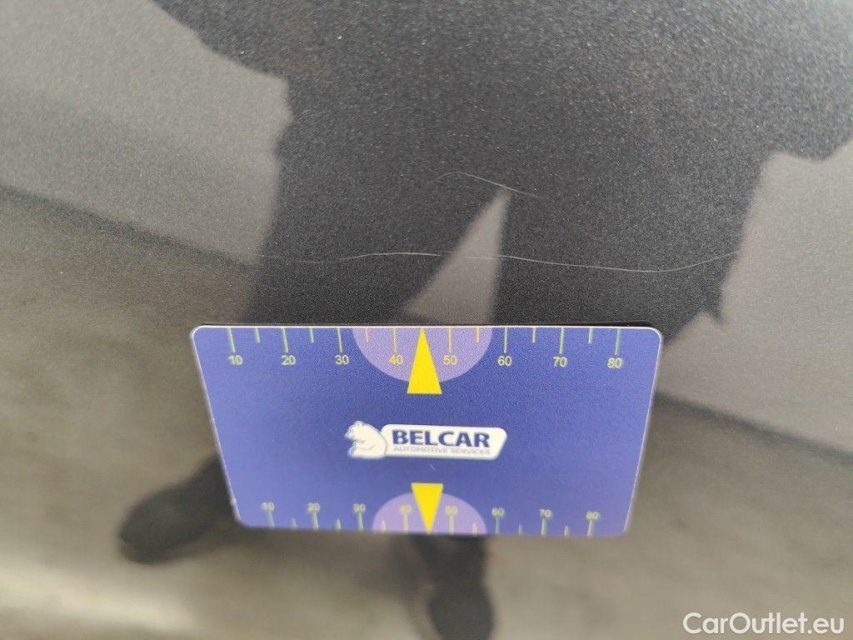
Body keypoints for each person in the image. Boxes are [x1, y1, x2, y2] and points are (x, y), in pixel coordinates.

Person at [119, 2, 853, 639]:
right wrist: (272, 24)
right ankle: (255, 472)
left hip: (673, 109)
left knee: (555, 366)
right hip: (427, 52)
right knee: (316, 301)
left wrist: (791, 93)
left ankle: (453, 525)